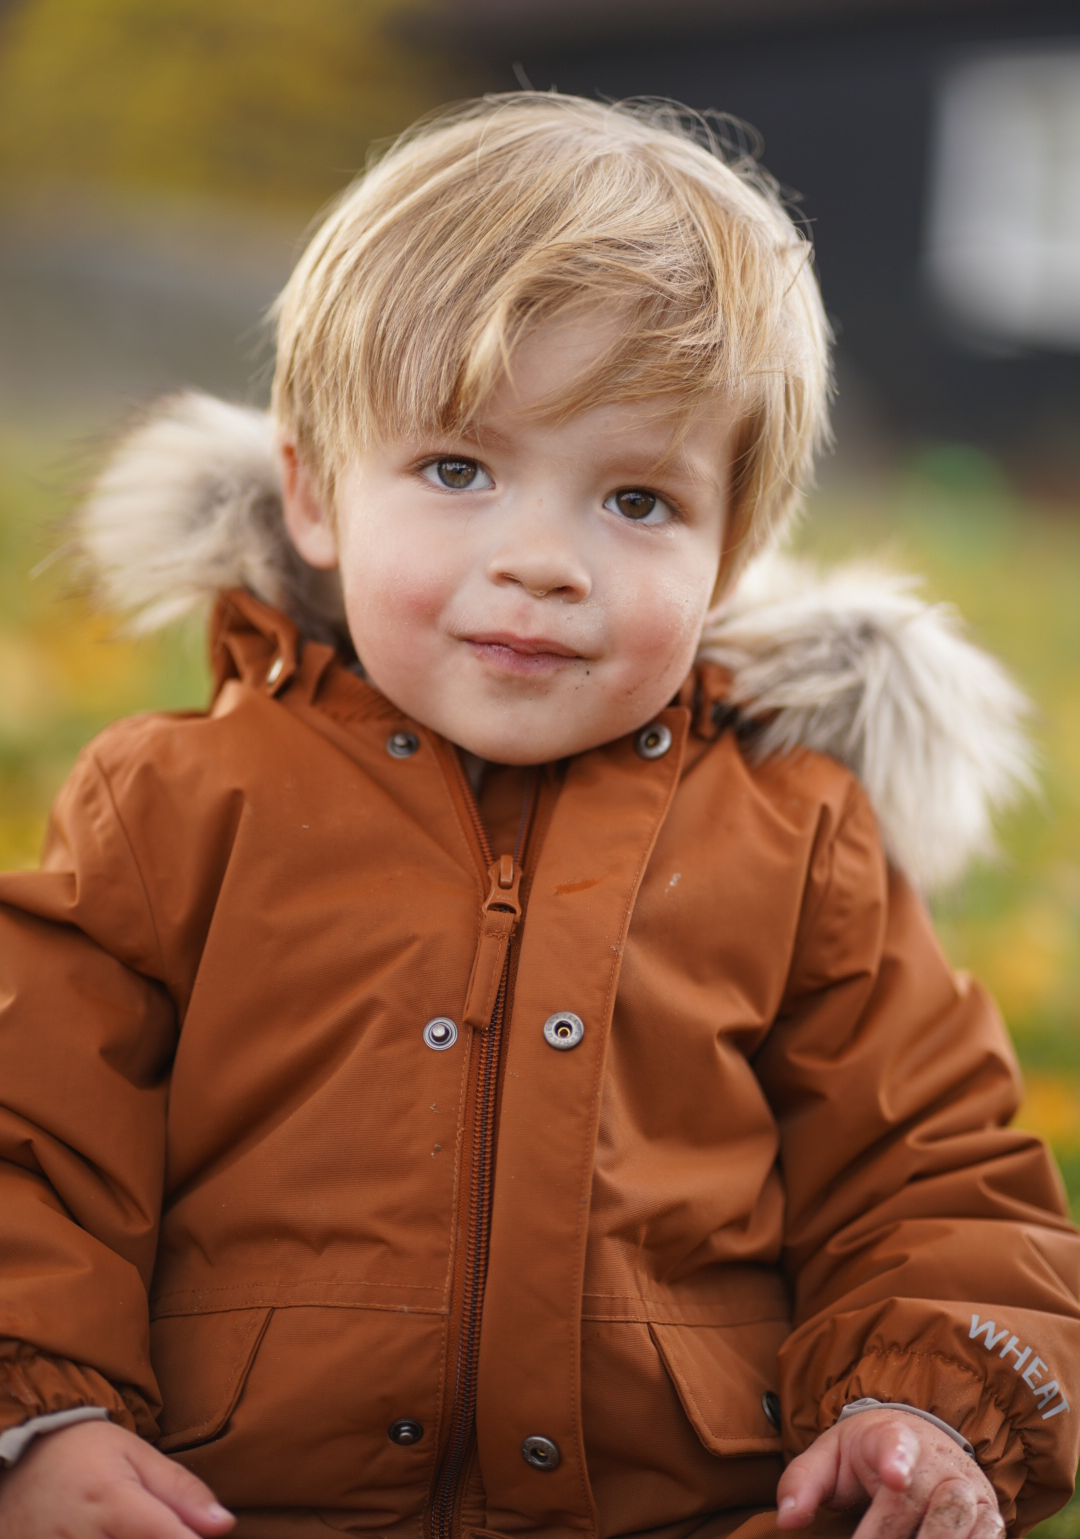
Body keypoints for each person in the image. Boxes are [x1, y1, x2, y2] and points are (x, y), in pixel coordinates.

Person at [0, 93, 1075, 1539]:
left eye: (637, 500)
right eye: (458, 471)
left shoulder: (799, 844)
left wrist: (922, 1402)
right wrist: (39, 1419)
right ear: (315, 497)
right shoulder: (177, 807)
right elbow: (30, 1141)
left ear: (731, 553)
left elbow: (932, 1178)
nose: (542, 561)